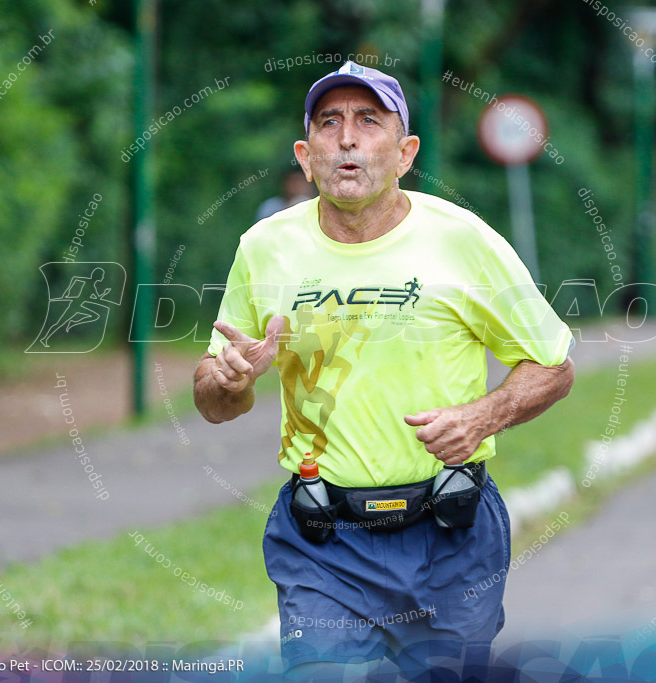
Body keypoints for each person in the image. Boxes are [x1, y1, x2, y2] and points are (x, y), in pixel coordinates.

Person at [193, 61, 575, 681]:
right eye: (330, 123)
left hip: (451, 536)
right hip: (323, 541)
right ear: (305, 153)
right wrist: (228, 381)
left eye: (369, 121)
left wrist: (485, 415)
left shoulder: (464, 241)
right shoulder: (265, 247)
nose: (347, 138)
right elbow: (214, 397)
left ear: (405, 152)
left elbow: (553, 366)